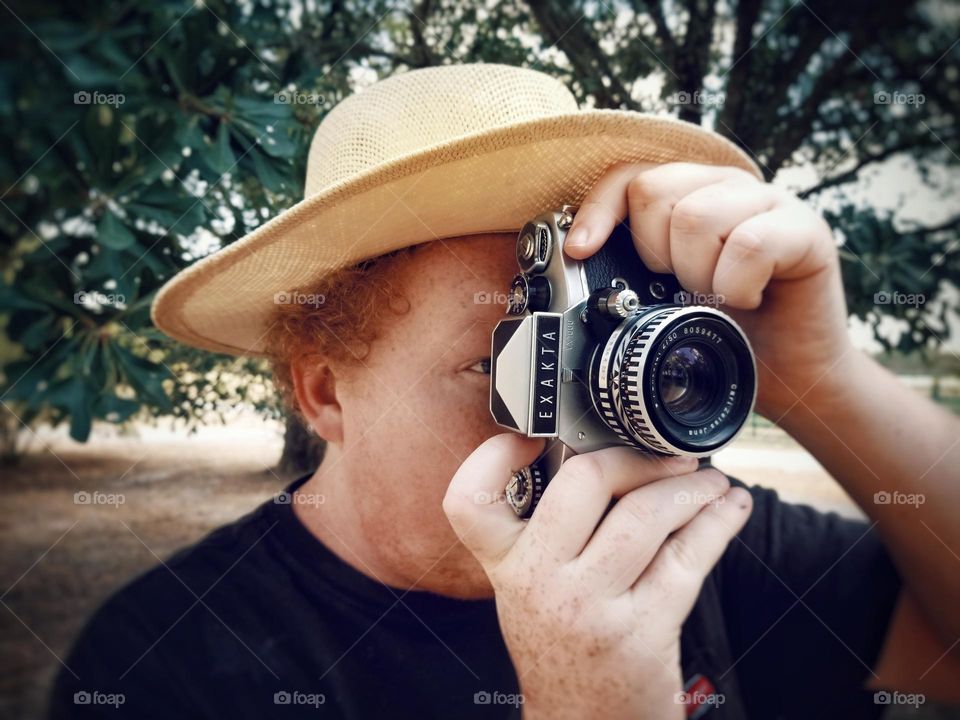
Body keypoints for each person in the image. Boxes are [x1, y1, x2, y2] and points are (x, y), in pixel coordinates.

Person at [51, 64, 960, 719]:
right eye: (508, 368)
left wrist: (823, 379)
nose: (593, 420)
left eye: (600, 344)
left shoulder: (699, 546)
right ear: (324, 390)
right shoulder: (170, 664)